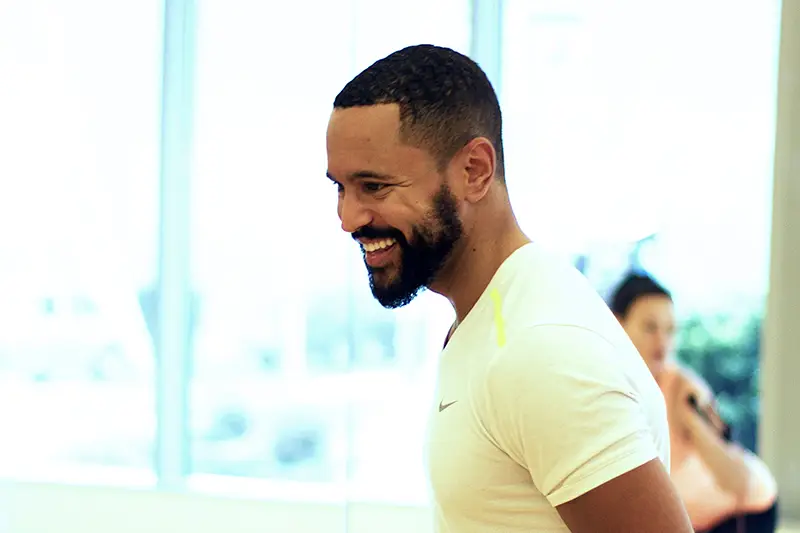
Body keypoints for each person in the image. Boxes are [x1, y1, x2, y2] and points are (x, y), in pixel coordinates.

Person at [324, 44, 692, 532]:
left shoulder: (540, 348)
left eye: (375, 187)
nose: (348, 218)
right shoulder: (491, 314)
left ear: (474, 171)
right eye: (340, 188)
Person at [611, 272, 779, 533]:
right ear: (617, 324)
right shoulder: (614, 389)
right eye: (650, 327)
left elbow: (738, 482)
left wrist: (691, 420)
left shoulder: (684, 390)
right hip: (691, 517)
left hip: (744, 511)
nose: (662, 342)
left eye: (670, 330)